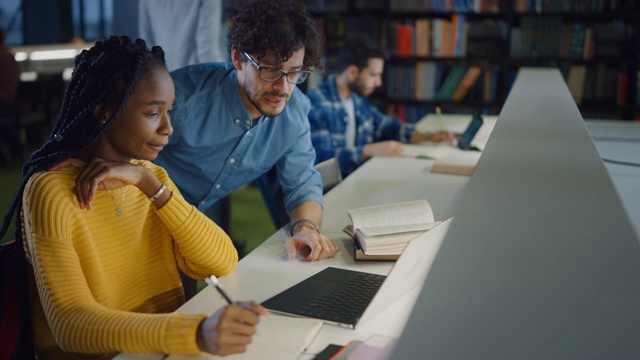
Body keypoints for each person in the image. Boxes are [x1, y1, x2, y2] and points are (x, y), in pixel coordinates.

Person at [0, 36, 267, 359]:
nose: (168, 128)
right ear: (104, 112)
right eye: (154, 113)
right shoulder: (51, 192)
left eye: (169, 111)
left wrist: (148, 184)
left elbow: (222, 261)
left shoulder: (149, 177)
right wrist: (193, 332)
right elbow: (70, 324)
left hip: (161, 349)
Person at [153, 0, 340, 261]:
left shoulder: (294, 113)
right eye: (271, 71)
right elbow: (119, 145)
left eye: (294, 73)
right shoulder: (183, 99)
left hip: (188, 221)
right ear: (238, 58)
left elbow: (302, 185)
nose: (283, 88)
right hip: (134, 209)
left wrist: (306, 228)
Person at [307, 33, 454, 177]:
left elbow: (388, 127)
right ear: (352, 72)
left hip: (358, 180)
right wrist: (367, 151)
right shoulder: (316, 104)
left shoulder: (357, 99)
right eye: (373, 75)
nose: (379, 83)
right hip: (332, 192)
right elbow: (322, 160)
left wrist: (428, 136)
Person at [138, 0, 226, 71]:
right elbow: (207, 52)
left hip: (164, 83)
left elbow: (147, 46)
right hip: (196, 82)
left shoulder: (146, 2)